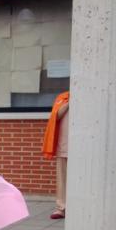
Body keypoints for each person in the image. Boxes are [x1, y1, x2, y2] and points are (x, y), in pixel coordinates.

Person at [42, 91, 70, 219]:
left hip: (83, 145)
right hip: (64, 144)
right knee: (62, 177)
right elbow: (56, 116)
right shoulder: (63, 97)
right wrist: (70, 103)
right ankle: (61, 208)